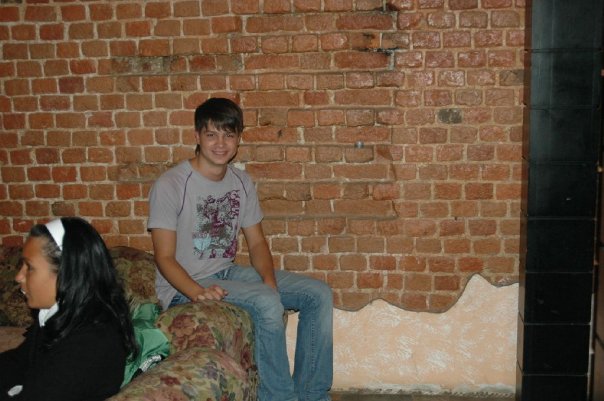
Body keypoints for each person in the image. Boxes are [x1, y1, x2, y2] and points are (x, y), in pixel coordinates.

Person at [148, 97, 333, 401]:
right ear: (197, 136)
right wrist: (196, 291)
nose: (220, 143)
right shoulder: (171, 184)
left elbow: (257, 242)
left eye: (228, 135)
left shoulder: (241, 182)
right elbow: (163, 257)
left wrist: (270, 282)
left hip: (226, 273)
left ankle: (312, 395)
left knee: (318, 294)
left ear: (238, 139)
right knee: (265, 302)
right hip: (183, 286)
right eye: (212, 134)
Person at [0, 217, 137, 401]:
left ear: (66, 273)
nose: (19, 277)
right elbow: (18, 362)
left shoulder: (90, 344)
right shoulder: (65, 316)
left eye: (29, 267)